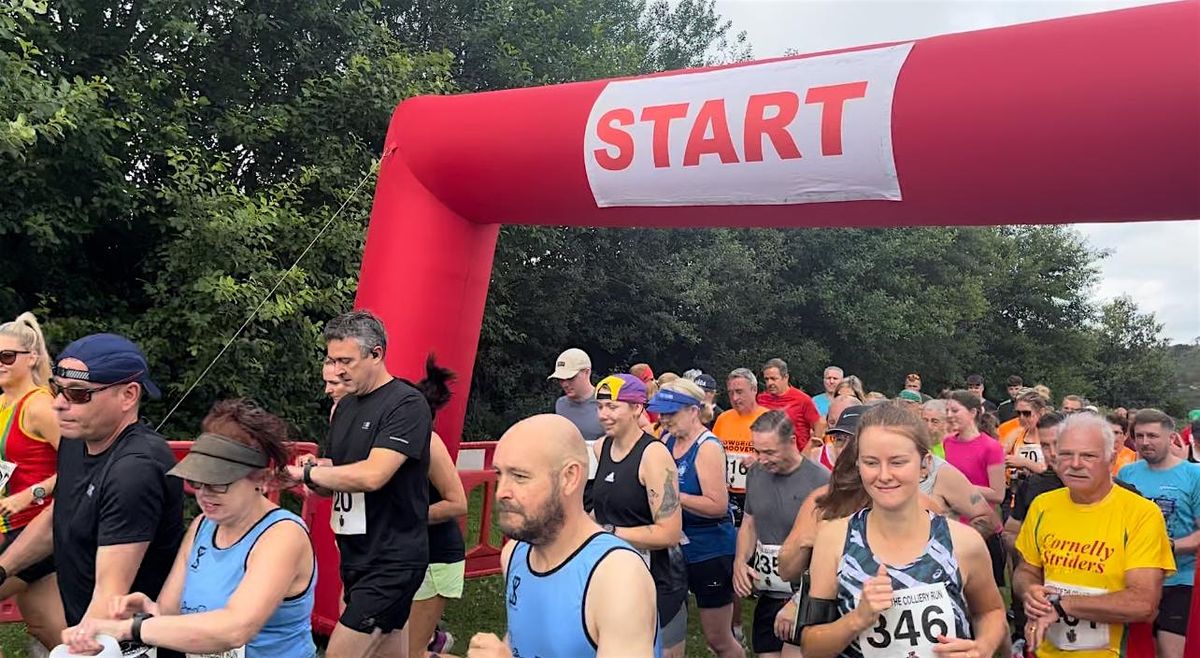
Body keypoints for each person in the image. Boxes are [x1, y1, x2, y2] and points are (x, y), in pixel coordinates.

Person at [61, 400, 316, 657]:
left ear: (261, 478)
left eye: (218, 483)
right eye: (197, 481)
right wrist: (147, 613)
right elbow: (169, 613)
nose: (203, 494)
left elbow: (235, 629)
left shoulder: (283, 535)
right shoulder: (203, 526)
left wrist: (131, 628)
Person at [0, 333, 185, 657]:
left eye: (78, 394)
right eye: (58, 389)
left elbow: (110, 593)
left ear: (128, 395)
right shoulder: (77, 438)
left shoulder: (135, 470)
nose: (58, 402)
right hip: (93, 628)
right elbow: (55, 519)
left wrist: (77, 649)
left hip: (131, 647)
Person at [797, 402, 1007, 658]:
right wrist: (857, 619)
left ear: (924, 464)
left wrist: (982, 647)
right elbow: (810, 647)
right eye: (871, 462)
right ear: (858, 465)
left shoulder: (963, 542)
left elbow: (991, 612)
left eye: (897, 462)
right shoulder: (834, 539)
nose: (884, 475)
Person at [288, 311, 432, 658]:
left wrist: (309, 474)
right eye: (331, 359)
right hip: (355, 557)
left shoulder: (406, 403)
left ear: (377, 354)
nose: (337, 370)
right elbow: (334, 482)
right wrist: (314, 474)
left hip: (392, 559)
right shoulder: (345, 407)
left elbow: (372, 476)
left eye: (346, 361)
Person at [468, 415, 659, 658]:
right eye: (499, 474)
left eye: (519, 476)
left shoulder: (616, 576)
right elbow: (523, 644)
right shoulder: (514, 554)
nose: (501, 492)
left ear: (569, 477)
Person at [1015, 413, 1174, 658]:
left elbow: (1143, 603)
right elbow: (1026, 571)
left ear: (1111, 459)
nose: (1075, 463)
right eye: (1066, 454)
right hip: (1047, 650)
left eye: (1088, 455)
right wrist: (1030, 592)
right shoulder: (1042, 505)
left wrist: (1063, 606)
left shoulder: (1141, 513)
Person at [590, 374, 686, 658]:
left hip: (659, 579)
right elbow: (605, 507)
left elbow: (669, 532)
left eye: (613, 407)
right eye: (600, 407)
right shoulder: (601, 447)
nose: (604, 415)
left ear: (636, 408)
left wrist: (608, 534)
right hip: (614, 575)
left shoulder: (654, 455)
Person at [651, 380, 745, 658]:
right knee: (667, 634)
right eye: (661, 413)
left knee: (718, 639)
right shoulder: (666, 440)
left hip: (709, 549)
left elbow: (718, 505)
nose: (664, 420)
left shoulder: (707, 446)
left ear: (693, 411)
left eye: (671, 413)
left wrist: (671, 495)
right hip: (673, 546)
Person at [732, 411, 828, 658]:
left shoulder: (820, 480)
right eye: (758, 451)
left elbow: (830, 547)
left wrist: (802, 598)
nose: (762, 459)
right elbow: (750, 522)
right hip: (768, 591)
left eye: (770, 452)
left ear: (792, 441)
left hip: (804, 594)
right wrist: (740, 562)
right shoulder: (756, 473)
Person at [0, 313, 64, 651]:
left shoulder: (41, 406)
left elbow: (82, 466)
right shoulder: (2, 404)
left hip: (38, 531)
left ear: (32, 357)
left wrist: (31, 493)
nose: (0, 364)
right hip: (10, 528)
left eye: (7, 357)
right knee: (51, 631)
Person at [1117, 409, 1200, 658]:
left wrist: (1167, 547)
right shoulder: (1127, 474)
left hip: (1179, 580)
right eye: (1139, 436)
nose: (1145, 442)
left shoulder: (1193, 475)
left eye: (1152, 435)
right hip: (1135, 579)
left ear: (1171, 437)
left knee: (1170, 653)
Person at [407, 357, 468, 658]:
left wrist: (407, 518)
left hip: (437, 556)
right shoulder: (388, 445)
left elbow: (458, 503)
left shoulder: (429, 443)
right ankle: (436, 640)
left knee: (410, 653)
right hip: (404, 555)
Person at [756, 359, 823, 450]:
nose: (769, 383)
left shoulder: (802, 399)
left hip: (796, 456)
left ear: (786, 377)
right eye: (766, 379)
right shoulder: (760, 399)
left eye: (774, 379)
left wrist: (812, 449)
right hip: (768, 455)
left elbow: (818, 424)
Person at [548, 348, 604, 442]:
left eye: (570, 378)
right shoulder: (561, 404)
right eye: (560, 379)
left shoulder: (606, 404)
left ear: (587, 372)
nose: (565, 384)